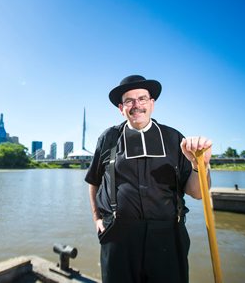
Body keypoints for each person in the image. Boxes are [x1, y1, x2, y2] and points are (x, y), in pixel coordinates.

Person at [85, 75, 212, 283]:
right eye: (129, 101)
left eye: (142, 99)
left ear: (152, 103)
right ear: (121, 108)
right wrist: (97, 219)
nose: (136, 105)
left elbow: (198, 193)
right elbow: (94, 182)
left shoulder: (175, 139)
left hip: (168, 235)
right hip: (118, 236)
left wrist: (200, 165)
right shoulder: (108, 138)